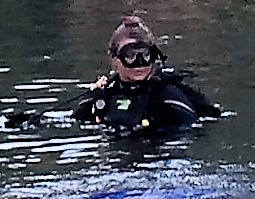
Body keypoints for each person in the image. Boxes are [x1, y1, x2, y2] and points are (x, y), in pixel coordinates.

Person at [69, 14, 220, 138]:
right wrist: (93, 95)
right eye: (130, 55)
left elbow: (198, 128)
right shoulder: (103, 95)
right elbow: (74, 123)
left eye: (146, 54)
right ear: (114, 60)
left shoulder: (166, 96)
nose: (140, 62)